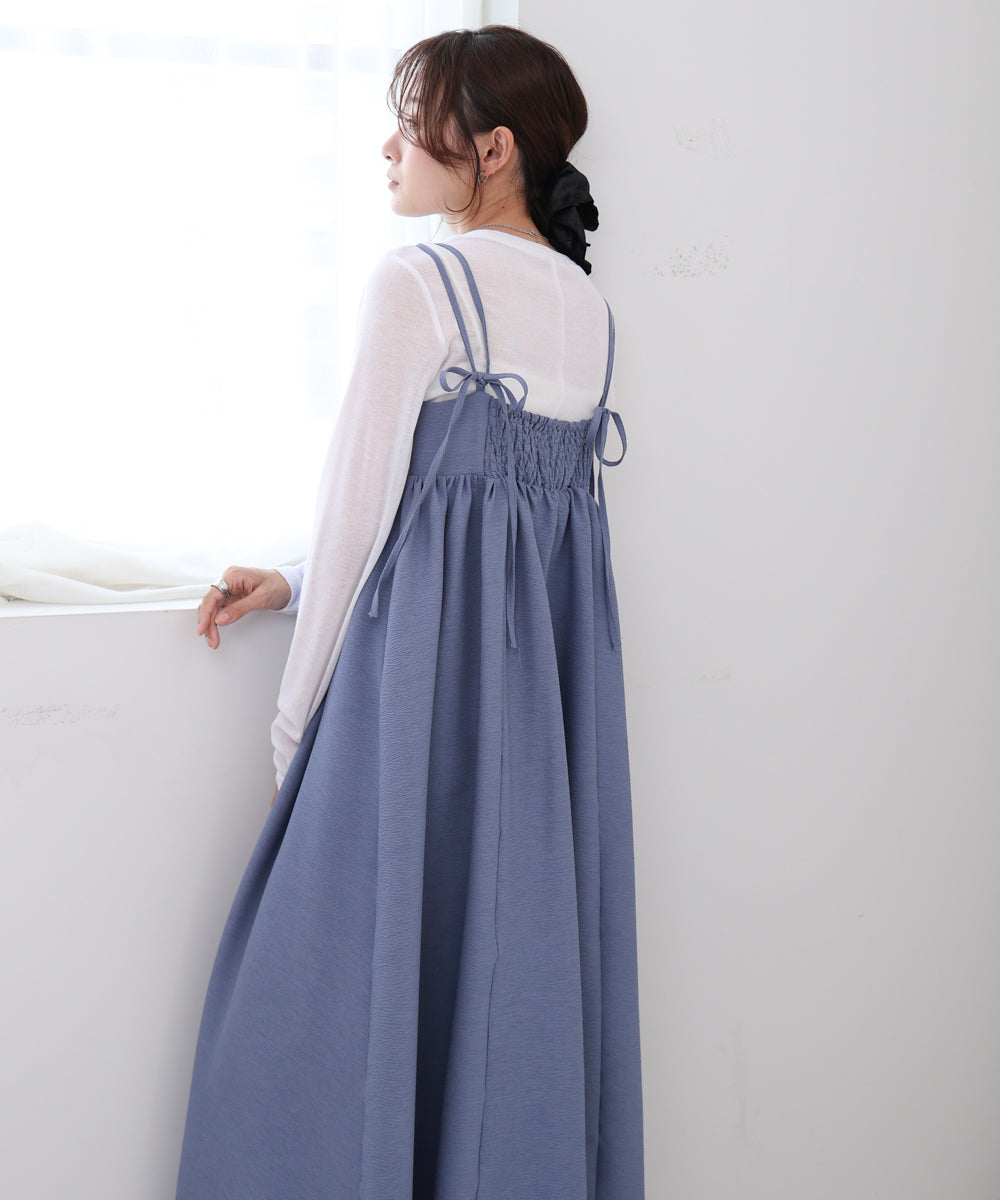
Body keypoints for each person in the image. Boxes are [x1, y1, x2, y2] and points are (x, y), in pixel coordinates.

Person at [176, 25, 643, 1200]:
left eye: (411, 122)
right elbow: (480, 514)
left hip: (417, 698)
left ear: (492, 149)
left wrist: (292, 736)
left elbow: (365, 513)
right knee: (507, 990)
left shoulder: (421, 284)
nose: (388, 147)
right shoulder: (589, 311)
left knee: (320, 1003)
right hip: (542, 731)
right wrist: (289, 577)